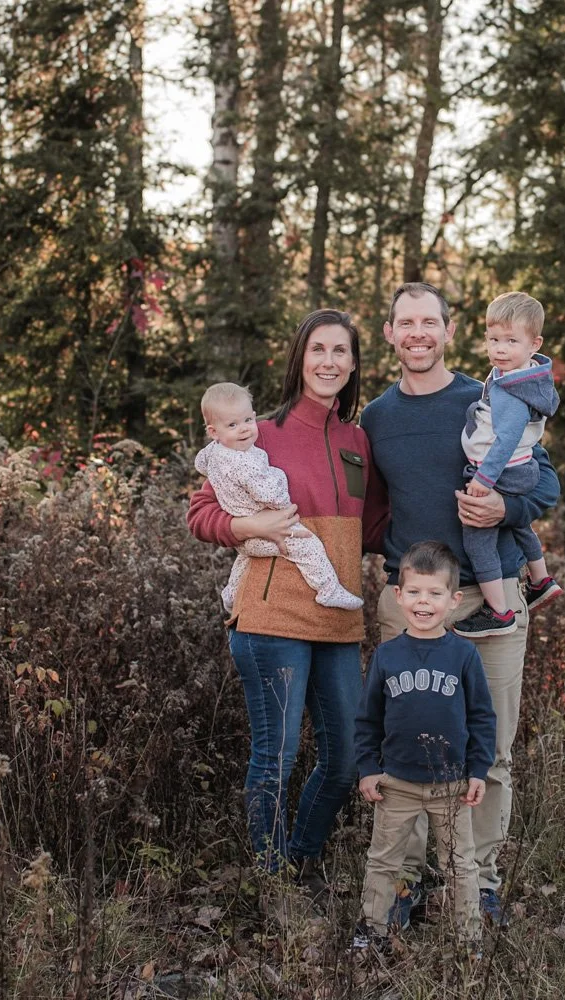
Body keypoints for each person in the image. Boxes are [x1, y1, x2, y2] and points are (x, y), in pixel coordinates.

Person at [359, 281, 560, 927]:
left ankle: (478, 881)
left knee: (489, 749)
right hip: (408, 604)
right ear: (390, 334)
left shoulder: (490, 393)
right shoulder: (377, 417)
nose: (417, 333)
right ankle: (407, 885)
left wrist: (506, 506)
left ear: (448, 331)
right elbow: (364, 507)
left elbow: (544, 482)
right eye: (404, 323)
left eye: (430, 322)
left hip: (488, 594)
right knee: (406, 746)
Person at [187, 310, 388, 904]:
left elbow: (374, 523)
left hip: (338, 616)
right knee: (275, 754)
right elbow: (201, 514)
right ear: (300, 358)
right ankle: (272, 883)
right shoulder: (258, 432)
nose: (329, 361)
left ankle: (298, 861)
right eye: (317, 349)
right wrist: (249, 522)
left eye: (341, 352)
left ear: (353, 364)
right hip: (271, 616)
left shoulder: (358, 441)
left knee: (348, 755)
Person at [351, 541, 494, 953]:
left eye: (434, 594)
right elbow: (368, 719)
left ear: (454, 600)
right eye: (414, 592)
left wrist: (478, 770)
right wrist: (368, 767)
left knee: (461, 865)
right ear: (399, 596)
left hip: (451, 784)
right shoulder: (387, 656)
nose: (423, 603)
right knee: (383, 861)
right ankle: (372, 932)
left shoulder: (464, 656)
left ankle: (469, 940)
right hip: (396, 782)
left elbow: (483, 718)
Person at [194, 381, 364, 613]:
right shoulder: (244, 461)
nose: (244, 429)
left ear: (253, 416)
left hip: (246, 542)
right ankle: (328, 589)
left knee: (244, 558)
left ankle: (231, 593)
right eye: (232, 425)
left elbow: (201, 462)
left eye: (247, 421)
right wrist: (280, 483)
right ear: (213, 432)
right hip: (268, 531)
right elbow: (271, 496)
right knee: (308, 546)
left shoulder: (216, 451)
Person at [454, 291, 564, 638]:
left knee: (477, 537)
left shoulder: (513, 393)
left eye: (511, 341)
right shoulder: (518, 376)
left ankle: (499, 611)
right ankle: (542, 579)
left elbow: (504, 441)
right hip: (518, 469)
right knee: (518, 525)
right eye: (494, 340)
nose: (500, 349)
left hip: (503, 471)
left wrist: (484, 480)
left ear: (535, 344)